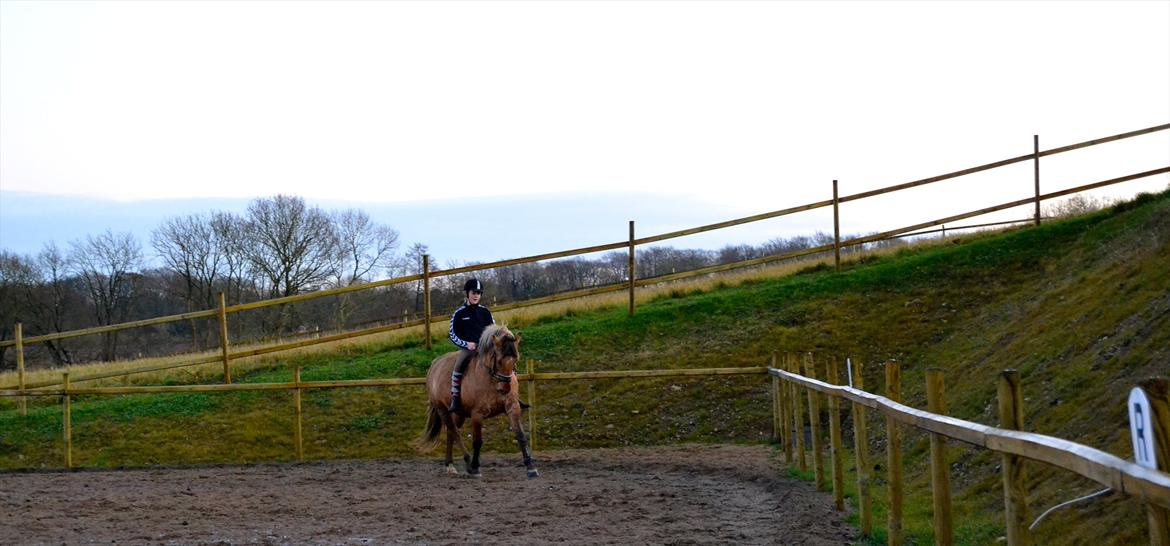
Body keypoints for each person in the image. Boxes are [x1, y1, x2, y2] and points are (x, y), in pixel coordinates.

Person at [447, 278, 494, 413]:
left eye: (479, 293)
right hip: (469, 349)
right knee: (459, 365)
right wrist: (466, 344)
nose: (476, 295)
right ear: (467, 293)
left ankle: (511, 393)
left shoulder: (486, 312)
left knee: (504, 359)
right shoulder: (459, 314)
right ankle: (455, 397)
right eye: (474, 292)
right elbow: (453, 334)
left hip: (486, 348)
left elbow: (494, 330)